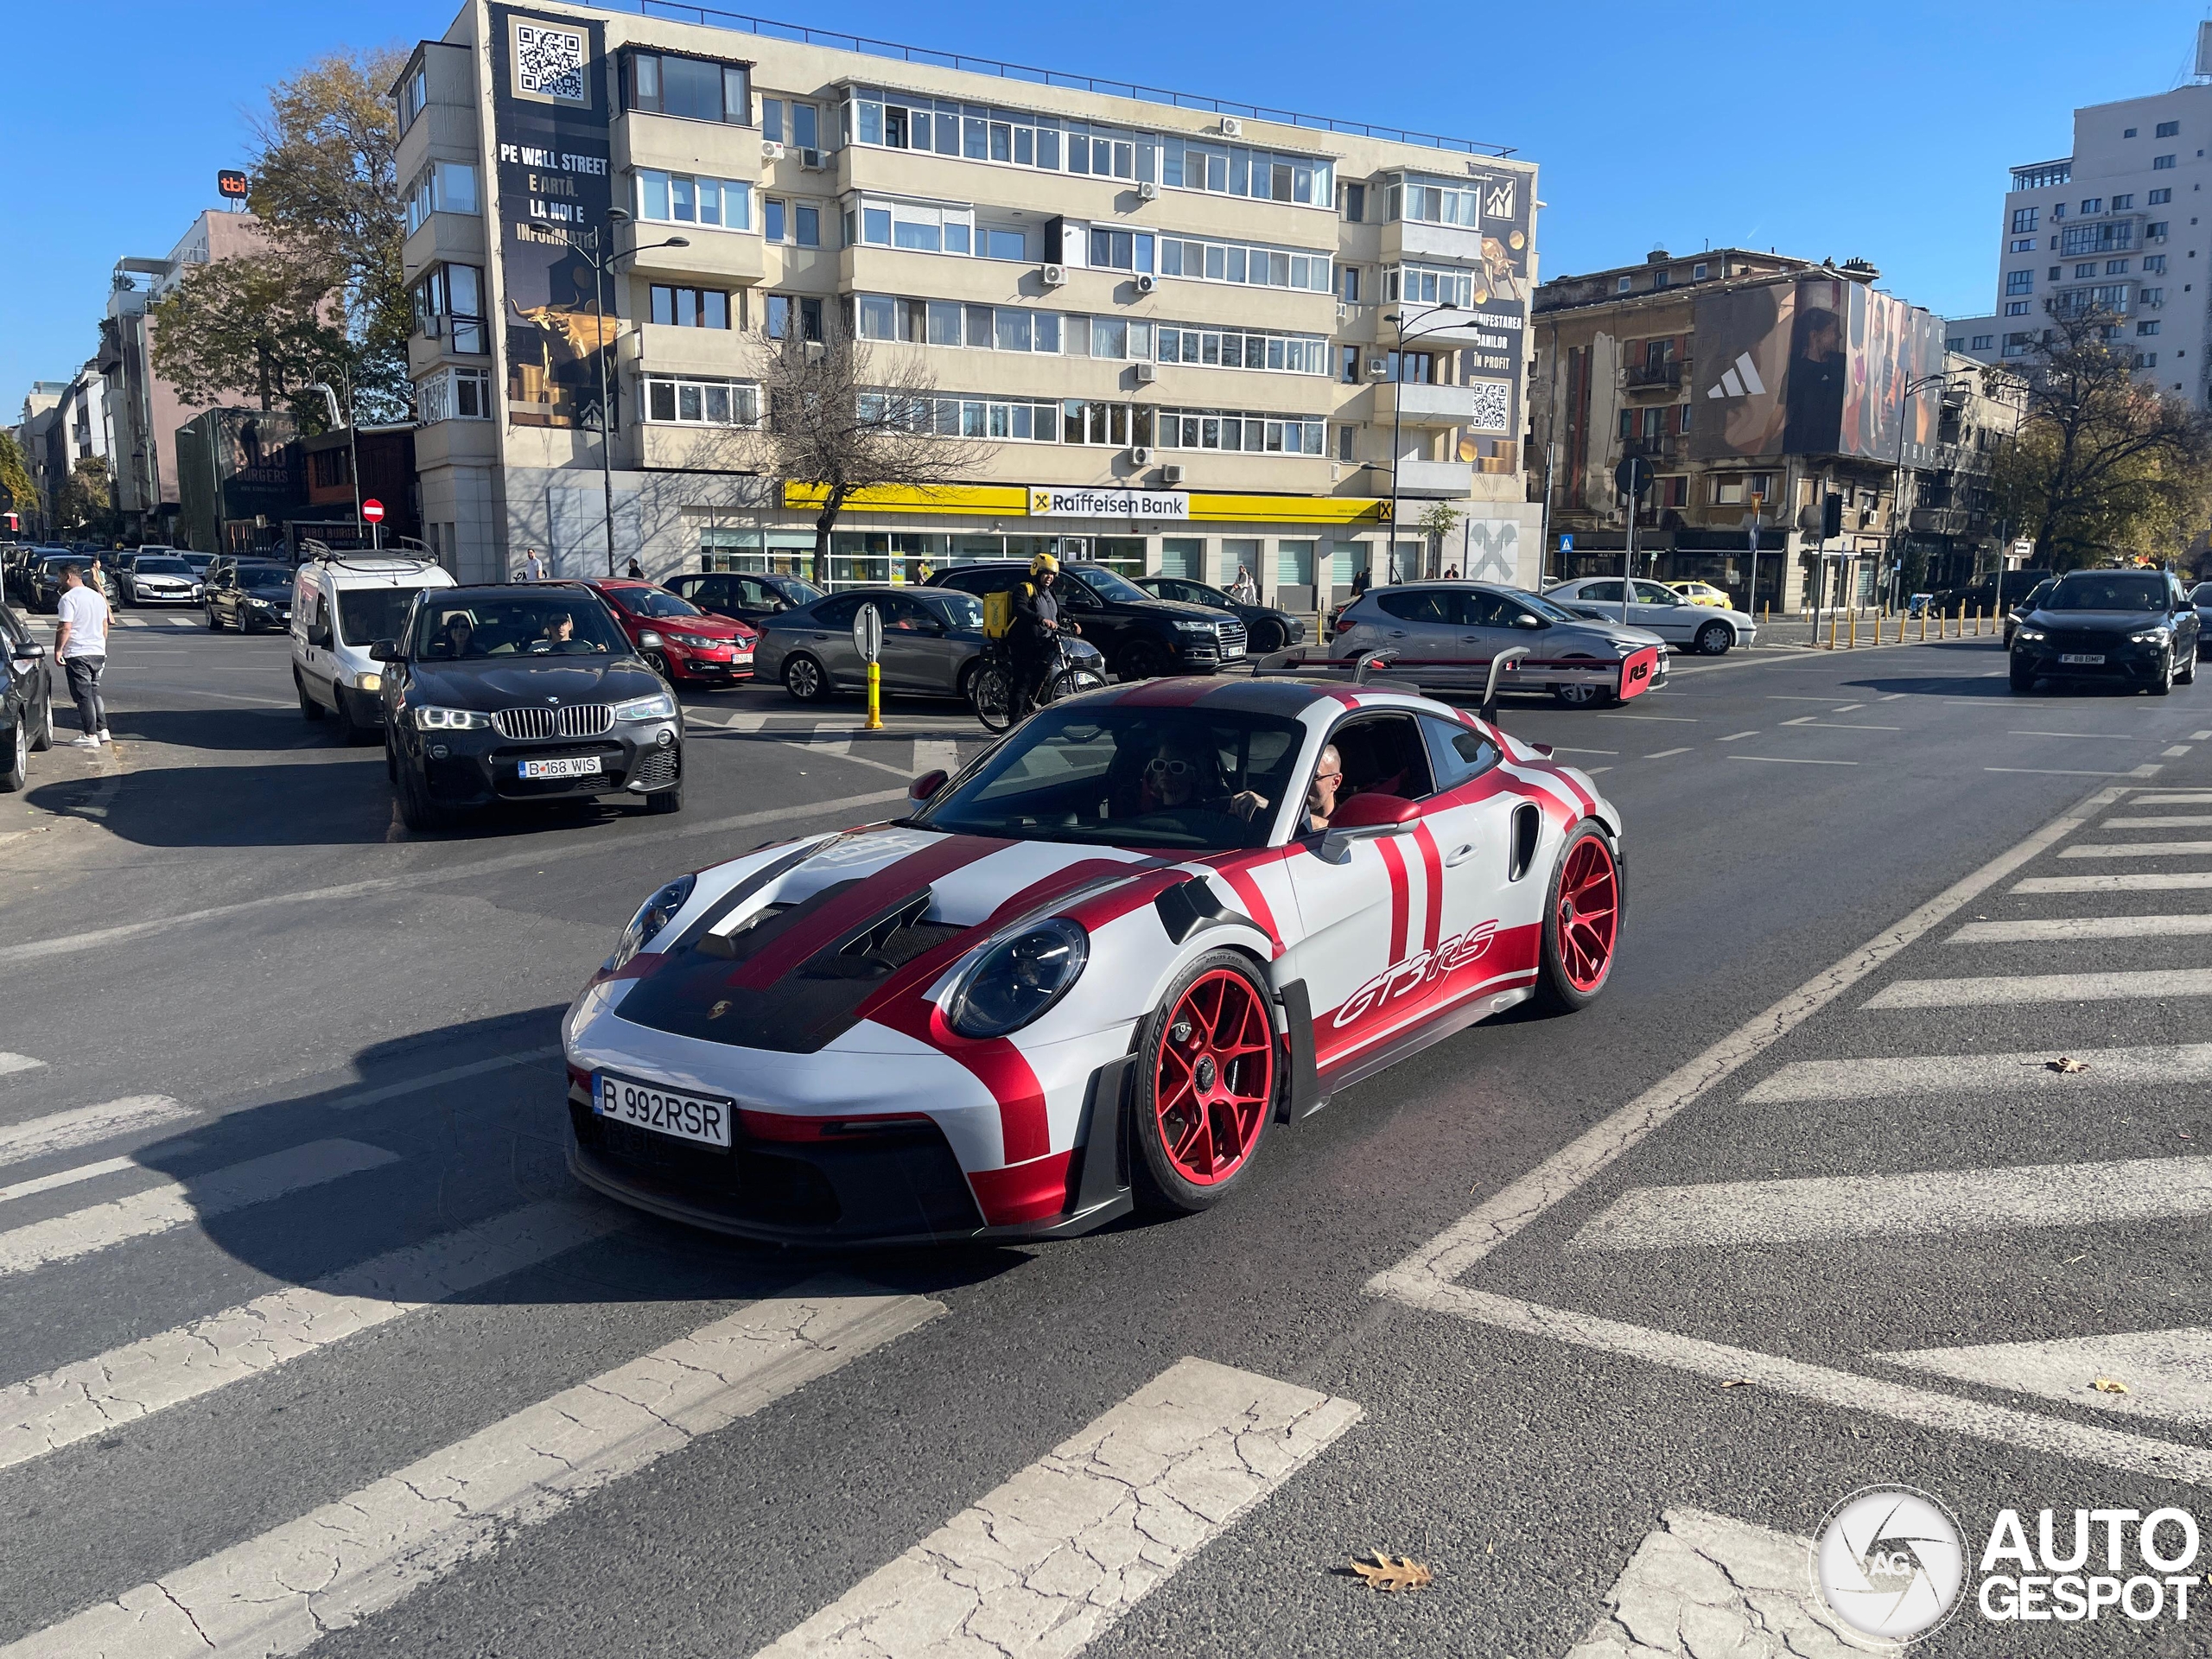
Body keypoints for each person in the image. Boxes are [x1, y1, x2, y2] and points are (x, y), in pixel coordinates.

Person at [52, 563, 111, 748]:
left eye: (60, 577)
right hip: (97, 651)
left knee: (83, 695)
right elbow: (105, 626)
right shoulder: (97, 597)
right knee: (94, 691)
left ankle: (90, 734)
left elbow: (65, 627)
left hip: (78, 652)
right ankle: (103, 730)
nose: (59, 581)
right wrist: (101, 644)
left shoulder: (68, 599)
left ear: (68, 577)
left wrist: (58, 650)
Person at [1009, 552, 1074, 713]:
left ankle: (1029, 708)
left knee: (1041, 680)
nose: (1049, 577)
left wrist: (1073, 619)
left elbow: (1058, 610)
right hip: (1025, 642)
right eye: (1046, 573)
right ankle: (1014, 721)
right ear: (1036, 572)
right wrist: (1041, 619)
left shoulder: (1049, 592)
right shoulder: (1025, 589)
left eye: (1052, 574)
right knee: (1022, 682)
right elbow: (1020, 608)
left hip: (1044, 643)